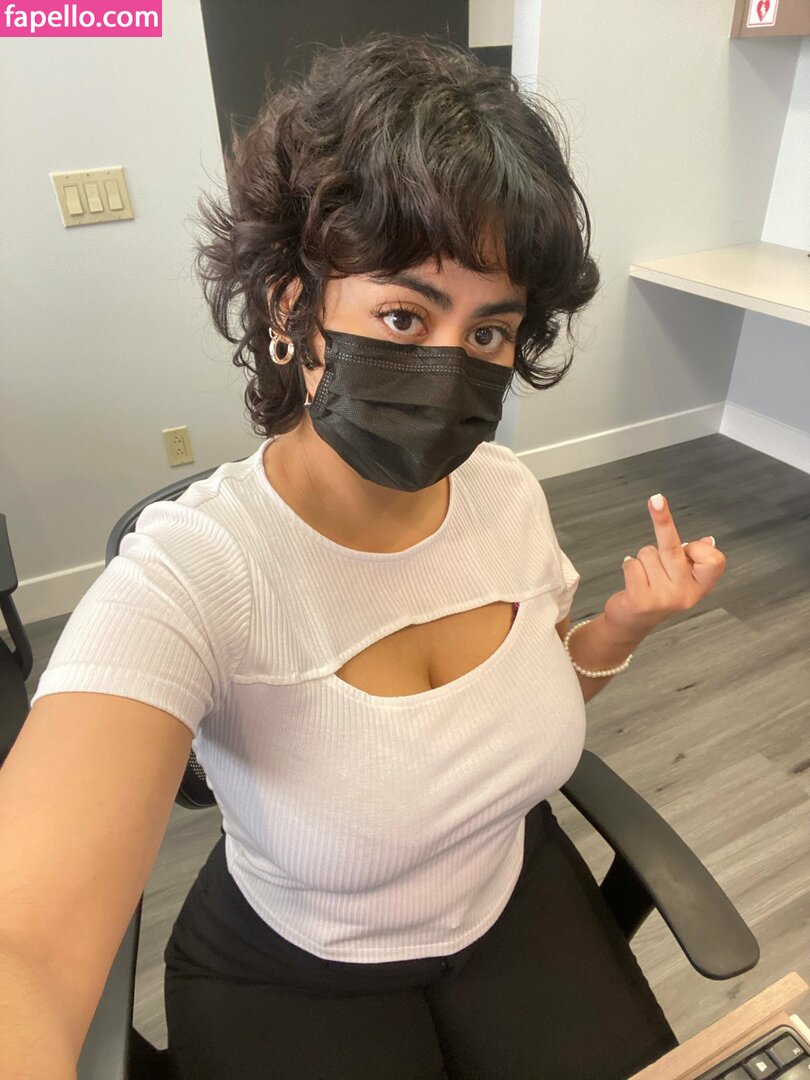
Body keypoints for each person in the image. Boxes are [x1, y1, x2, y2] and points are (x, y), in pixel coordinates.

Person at [7, 30, 696, 1080]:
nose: (449, 366)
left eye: (489, 333)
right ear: (292, 308)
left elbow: (527, 698)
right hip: (295, 971)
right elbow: (21, 944)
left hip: (511, 905)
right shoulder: (193, 571)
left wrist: (622, 628)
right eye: (404, 313)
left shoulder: (507, 494)